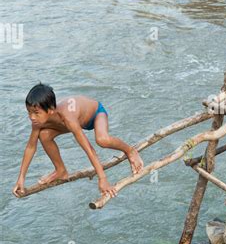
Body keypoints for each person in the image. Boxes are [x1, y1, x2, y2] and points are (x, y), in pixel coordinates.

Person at [12, 84, 143, 199]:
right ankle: (60, 170)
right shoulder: (37, 123)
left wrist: (102, 179)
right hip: (77, 121)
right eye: (29, 112)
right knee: (44, 135)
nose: (32, 117)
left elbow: (88, 149)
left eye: (36, 113)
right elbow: (30, 147)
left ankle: (130, 150)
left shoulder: (68, 118)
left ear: (51, 110)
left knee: (102, 140)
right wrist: (21, 178)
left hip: (95, 113)